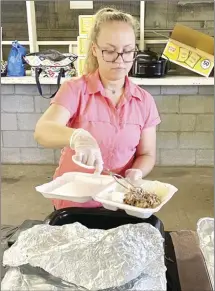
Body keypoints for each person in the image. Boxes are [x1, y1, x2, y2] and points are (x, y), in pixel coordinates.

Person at [34, 7, 161, 210]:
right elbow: (43, 131)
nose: (120, 60)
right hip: (75, 201)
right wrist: (78, 137)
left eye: (128, 51)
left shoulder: (144, 101)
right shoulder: (76, 90)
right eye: (110, 51)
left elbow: (147, 154)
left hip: (119, 199)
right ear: (94, 49)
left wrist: (136, 172)